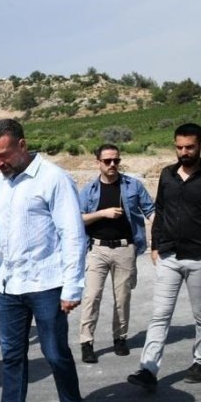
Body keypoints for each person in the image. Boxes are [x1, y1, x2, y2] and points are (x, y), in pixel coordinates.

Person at [0, 119, 86, 402]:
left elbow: (73, 234)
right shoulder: (0, 183)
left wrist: (73, 287)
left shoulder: (54, 179)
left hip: (47, 284)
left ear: (22, 145)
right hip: (9, 285)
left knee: (54, 353)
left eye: (3, 155)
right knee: (11, 356)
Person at [127, 123, 201, 392]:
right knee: (160, 315)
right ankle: (148, 369)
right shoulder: (167, 174)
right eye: (179, 147)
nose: (184, 152)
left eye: (189, 147)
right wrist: (155, 245)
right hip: (168, 256)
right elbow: (160, 211)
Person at [77, 144, 155, 363]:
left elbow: (150, 210)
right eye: (107, 161)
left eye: (116, 161)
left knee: (122, 297)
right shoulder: (90, 189)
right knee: (92, 296)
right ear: (98, 162)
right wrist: (103, 213)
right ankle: (86, 342)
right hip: (97, 249)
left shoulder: (132, 185)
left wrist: (161, 233)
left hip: (125, 248)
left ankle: (120, 338)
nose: (112, 164)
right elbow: (79, 217)